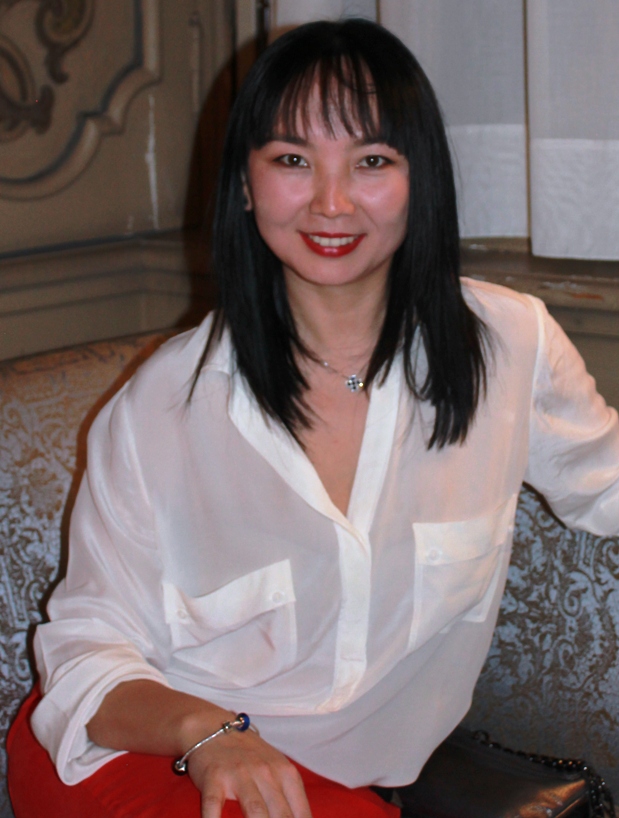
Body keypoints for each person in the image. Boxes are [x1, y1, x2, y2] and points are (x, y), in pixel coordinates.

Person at [7, 17, 619, 818]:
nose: (331, 202)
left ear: (420, 180)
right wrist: (208, 732)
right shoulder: (162, 406)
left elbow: (606, 485)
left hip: (330, 789)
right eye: (292, 160)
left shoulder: (508, 346)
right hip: (152, 754)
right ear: (245, 183)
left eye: (372, 161)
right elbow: (84, 651)